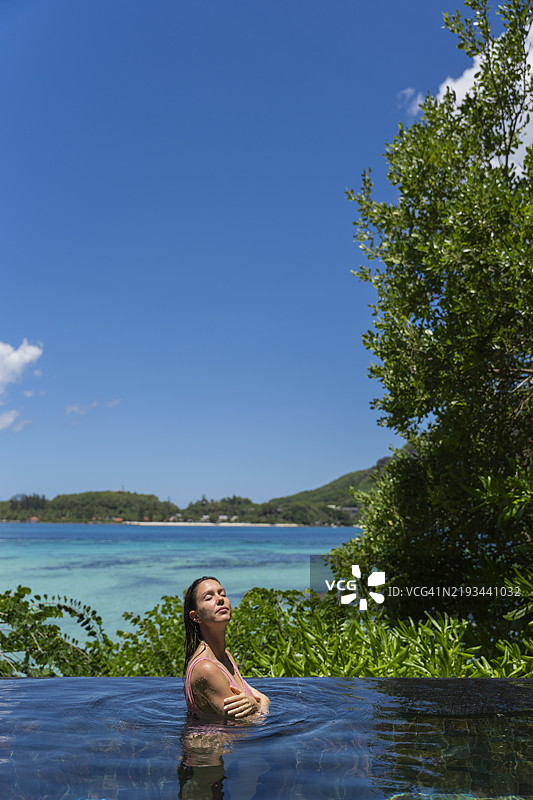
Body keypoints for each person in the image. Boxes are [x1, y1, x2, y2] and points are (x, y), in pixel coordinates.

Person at [183, 576, 270, 720]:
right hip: (211, 742)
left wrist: (258, 703)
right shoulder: (205, 668)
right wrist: (261, 704)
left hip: (231, 742)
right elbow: (247, 722)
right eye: (209, 597)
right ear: (196, 617)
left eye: (222, 594)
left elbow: (255, 699)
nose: (220, 599)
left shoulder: (226, 656)